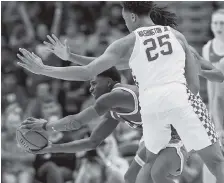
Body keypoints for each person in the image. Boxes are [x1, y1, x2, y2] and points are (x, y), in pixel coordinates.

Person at [17, 2, 224, 183]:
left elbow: (91, 72)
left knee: (149, 174)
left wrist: (44, 70)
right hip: (173, 108)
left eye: (125, 19)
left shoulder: (127, 51)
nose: (126, 24)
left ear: (132, 17)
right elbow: (92, 141)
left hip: (161, 114)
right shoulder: (176, 37)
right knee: (210, 163)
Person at [21, 67, 187, 183]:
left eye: (94, 83)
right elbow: (91, 142)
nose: (91, 89)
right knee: (130, 178)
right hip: (156, 138)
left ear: (108, 82)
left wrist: (45, 125)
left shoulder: (118, 94)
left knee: (149, 177)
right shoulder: (114, 110)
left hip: (175, 134)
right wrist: (51, 148)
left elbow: (77, 121)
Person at [202, 9, 224, 137]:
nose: (218, 27)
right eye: (215, 23)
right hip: (217, 98)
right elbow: (210, 83)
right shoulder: (207, 48)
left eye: (222, 23)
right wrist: (211, 108)